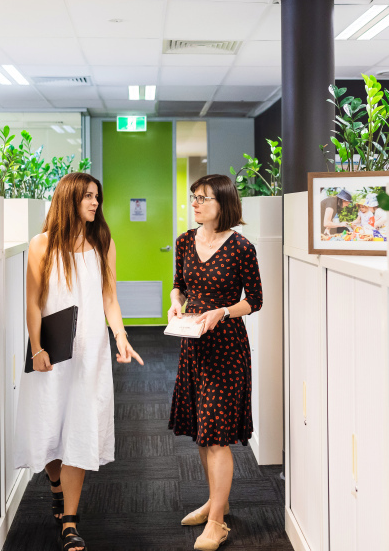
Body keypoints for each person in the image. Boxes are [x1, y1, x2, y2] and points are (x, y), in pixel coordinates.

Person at [13, 172, 144, 551]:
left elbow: (109, 299)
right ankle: (55, 486)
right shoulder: (42, 245)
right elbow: (33, 303)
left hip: (91, 355)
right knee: (50, 427)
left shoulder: (102, 242)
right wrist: (36, 349)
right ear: (69, 199)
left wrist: (120, 335)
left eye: (97, 198)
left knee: (80, 428)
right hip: (51, 355)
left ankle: (70, 519)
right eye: (88, 196)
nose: (95, 204)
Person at [168, 174, 263, 551]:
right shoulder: (184, 242)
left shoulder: (242, 247)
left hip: (227, 349)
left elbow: (254, 301)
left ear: (223, 204)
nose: (195, 203)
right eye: (194, 197)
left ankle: (218, 521)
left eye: (204, 198)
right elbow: (179, 285)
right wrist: (177, 301)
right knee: (203, 433)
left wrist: (224, 311)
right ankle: (213, 500)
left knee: (218, 436)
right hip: (193, 347)